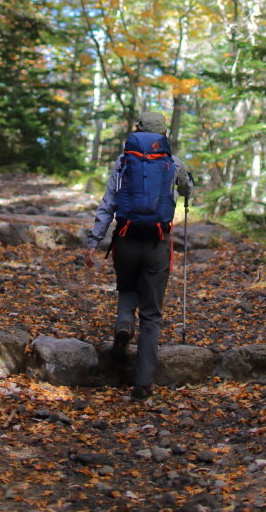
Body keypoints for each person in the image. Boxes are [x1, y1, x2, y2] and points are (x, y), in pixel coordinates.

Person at [84, 110, 193, 401]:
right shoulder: (172, 161)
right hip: (158, 242)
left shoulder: (123, 162)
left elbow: (108, 204)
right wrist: (184, 182)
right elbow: (187, 190)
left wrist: (94, 242)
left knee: (127, 286)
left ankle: (123, 322)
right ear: (164, 134)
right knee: (152, 313)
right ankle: (143, 383)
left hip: (125, 238)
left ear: (138, 130)